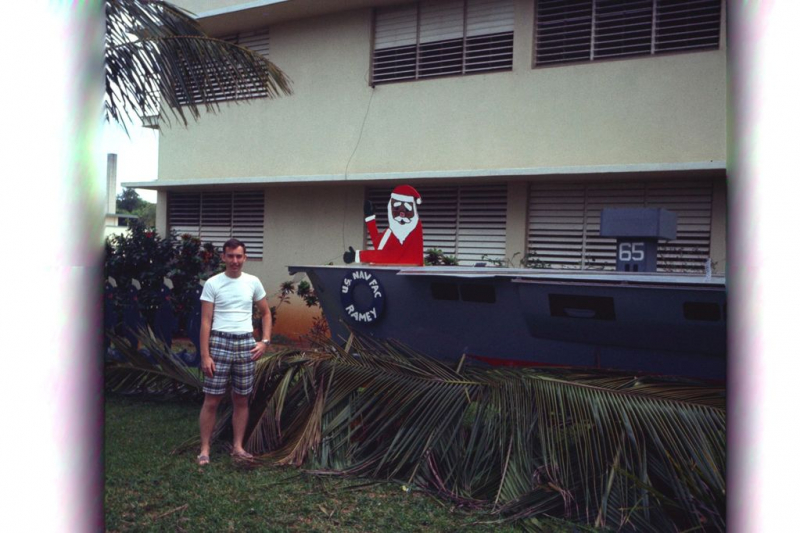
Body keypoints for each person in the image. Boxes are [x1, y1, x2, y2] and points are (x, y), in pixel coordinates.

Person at [196, 238, 272, 465]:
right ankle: (205, 449)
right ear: (223, 257)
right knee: (212, 399)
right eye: (230, 256)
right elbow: (206, 322)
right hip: (219, 342)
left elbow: (266, 313)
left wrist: (265, 341)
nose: (235, 261)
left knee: (241, 399)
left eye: (239, 256)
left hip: (245, 344)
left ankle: (238, 447)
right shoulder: (212, 283)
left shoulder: (253, 282)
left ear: (245, 258)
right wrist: (205, 355)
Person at [343, 184, 424, 266]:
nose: (402, 214)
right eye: (396, 208)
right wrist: (370, 218)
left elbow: (389, 256)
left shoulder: (414, 229)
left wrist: (358, 256)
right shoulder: (393, 229)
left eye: (407, 209)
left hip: (409, 276)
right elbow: (379, 246)